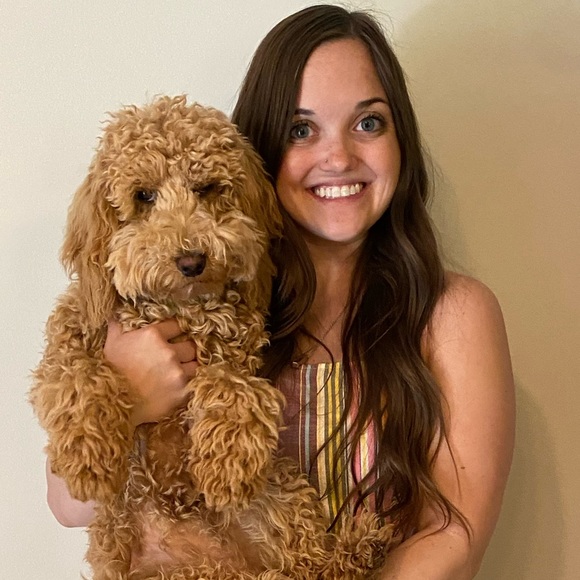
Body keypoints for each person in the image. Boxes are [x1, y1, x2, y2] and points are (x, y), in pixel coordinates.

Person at [46, 5, 515, 579]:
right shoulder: (201, 301)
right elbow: (71, 505)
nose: (338, 157)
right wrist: (131, 398)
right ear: (264, 149)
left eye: (368, 123)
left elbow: (454, 538)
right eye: (301, 129)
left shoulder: (453, 314)